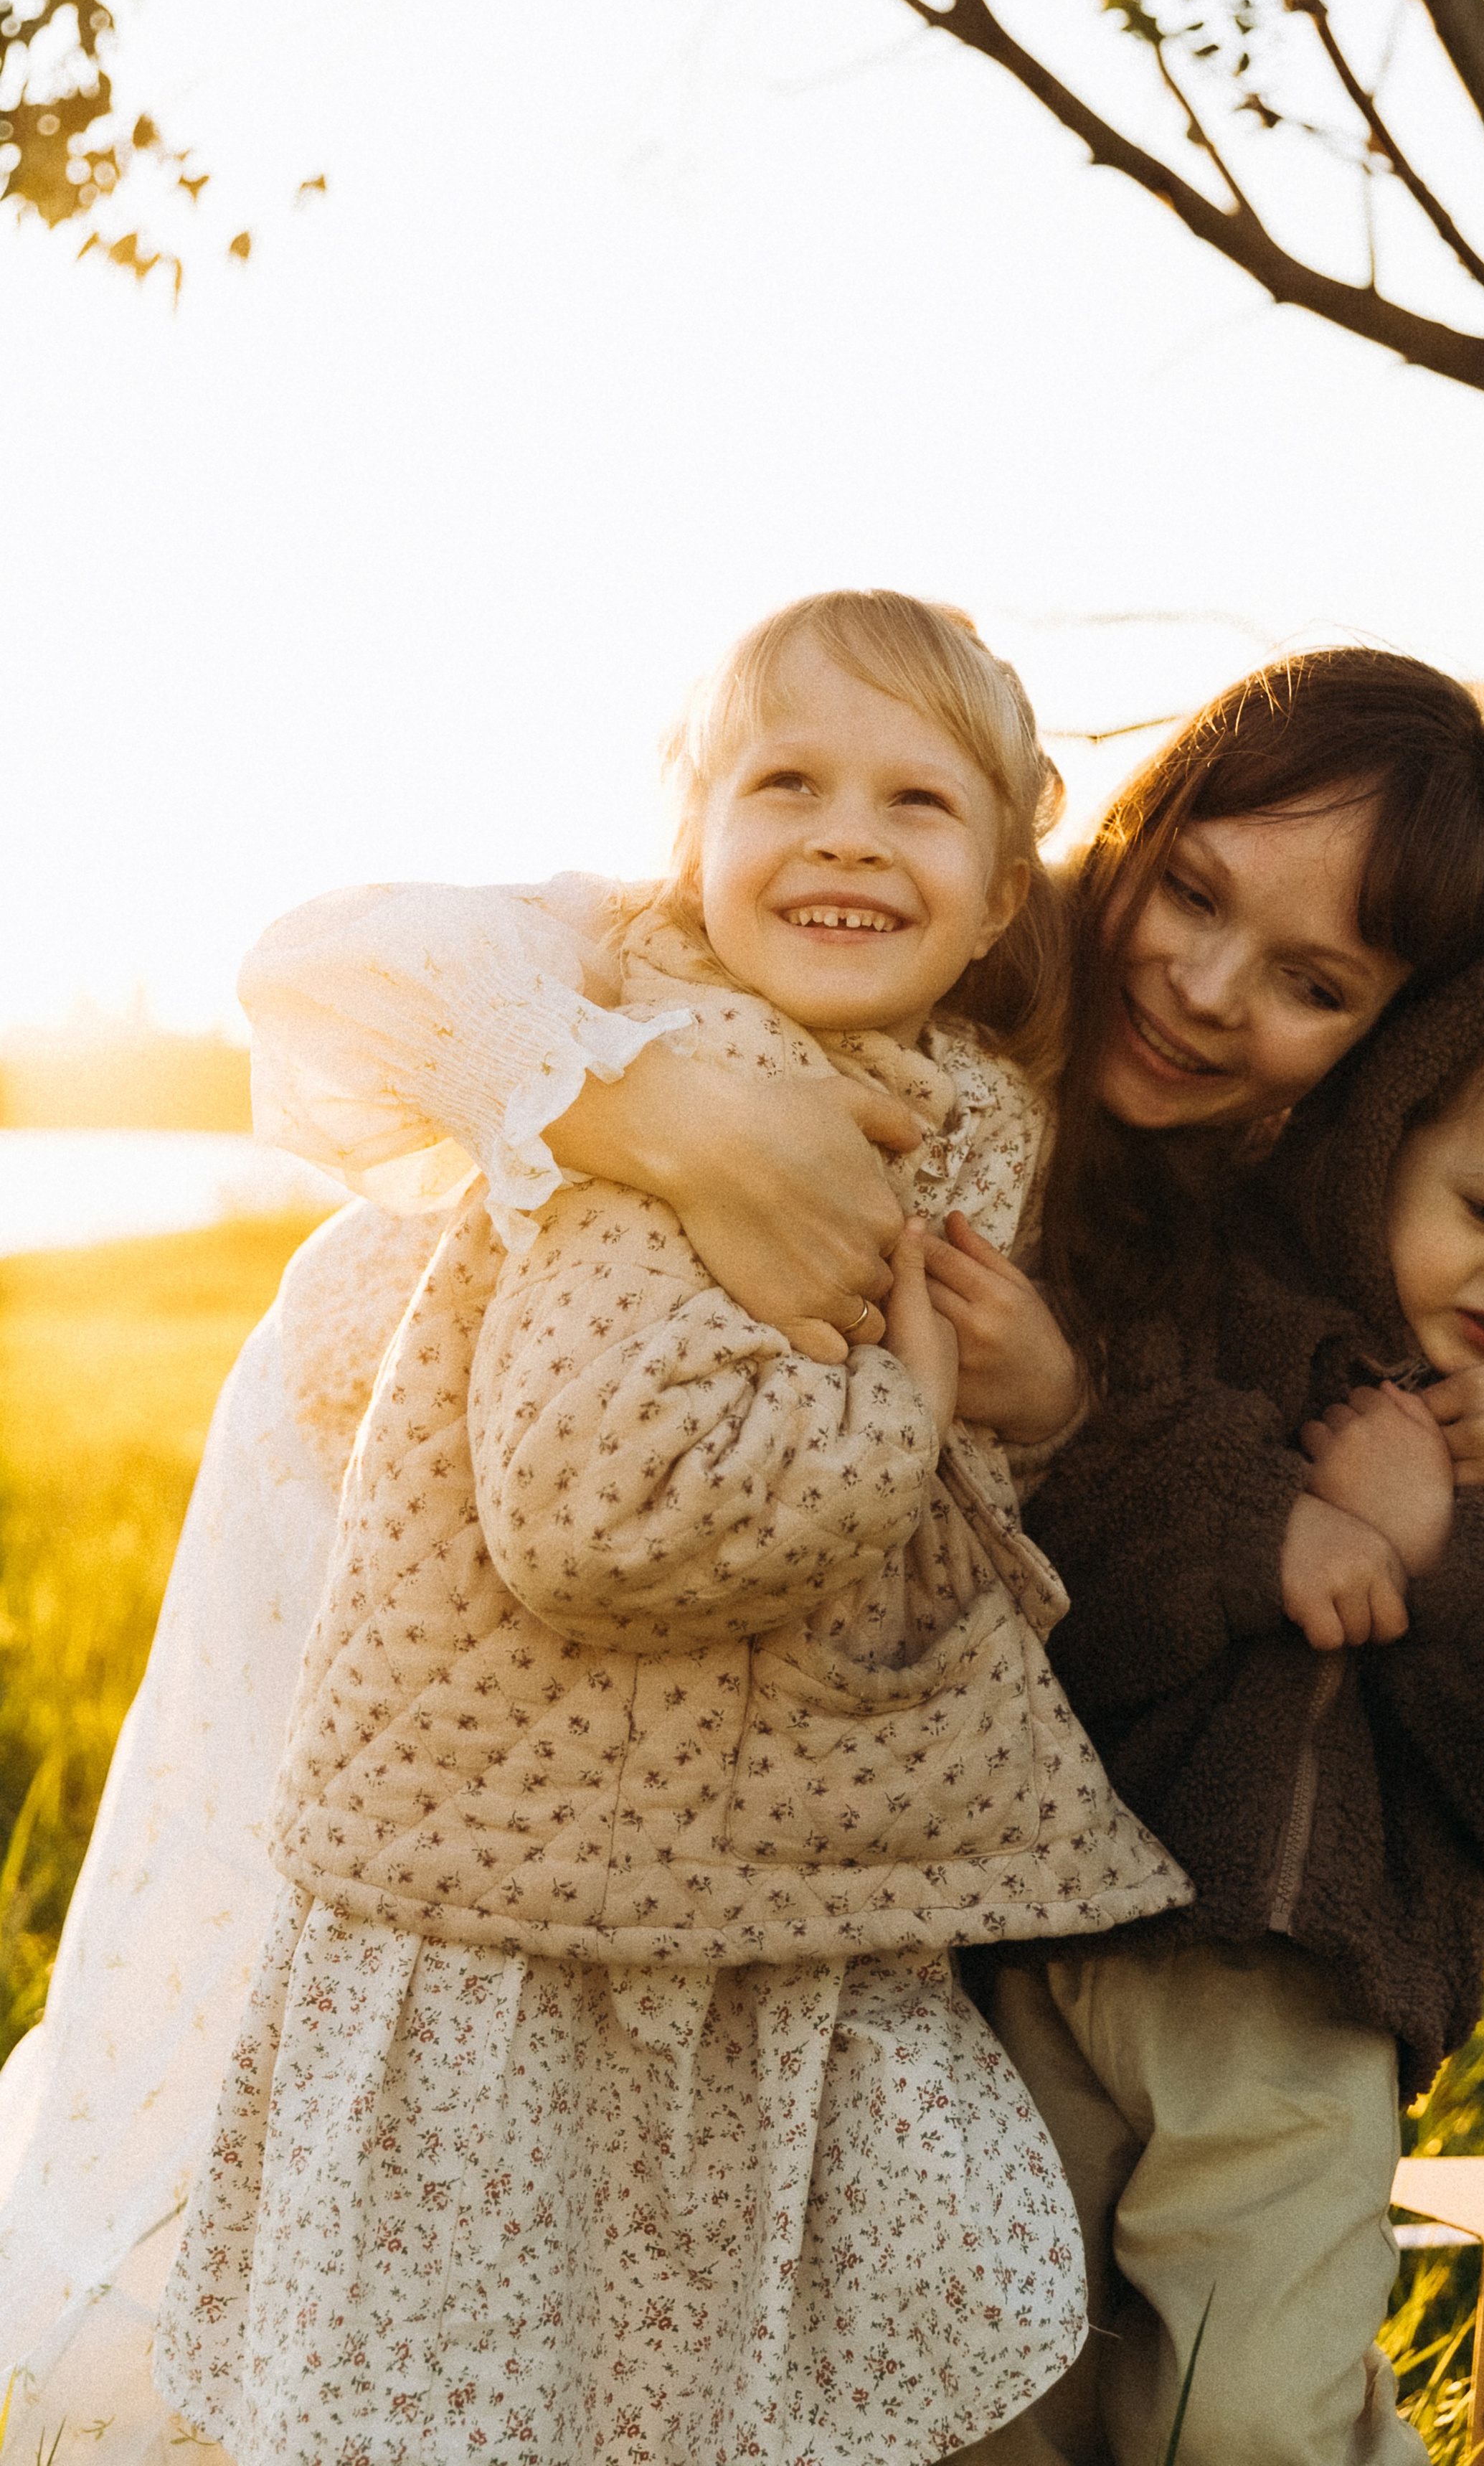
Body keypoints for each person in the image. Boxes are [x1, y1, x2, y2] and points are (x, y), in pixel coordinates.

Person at [0, 635, 1484, 2460]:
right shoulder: (896, 920)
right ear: (1114, 828)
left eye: (1306, 980)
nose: (1202, 989)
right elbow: (336, 969)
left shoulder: (1268, 1212)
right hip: (428, 1590)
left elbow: (1385, 1559)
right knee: (359, 2118)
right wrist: (659, 1109)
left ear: (1385, 1035)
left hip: (771, 1754)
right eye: (1187, 889)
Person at [152, 589, 1184, 2466]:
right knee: (517, 2352)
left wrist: (1030, 1413)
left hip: (783, 1865)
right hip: (535, 1881)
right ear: (693, 833)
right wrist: (912, 1409)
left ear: (1009, 879)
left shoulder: (970, 1104)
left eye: (918, 803)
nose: (849, 833)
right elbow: (606, 1512)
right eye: (787, 781)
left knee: (872, 2319)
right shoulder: (649, 1040)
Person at [966, 876, 1484, 2466]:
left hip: (1301, 1998)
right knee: (1006, 2372)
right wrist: (1265, 1520)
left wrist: (1437, 1545)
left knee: (1254, 2403)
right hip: (1047, 1950)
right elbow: (1072, 1561)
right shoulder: (1196, 1312)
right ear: (1379, 1137)